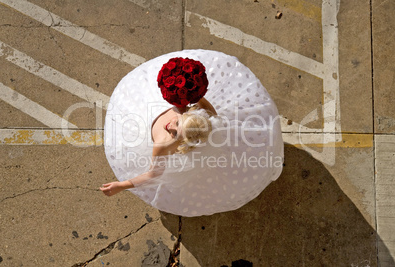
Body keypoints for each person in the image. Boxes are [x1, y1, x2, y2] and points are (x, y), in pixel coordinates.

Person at [101, 50, 284, 217]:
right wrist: (194, 91)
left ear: (182, 143)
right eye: (178, 121)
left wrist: (122, 186)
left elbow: (153, 175)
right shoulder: (198, 115)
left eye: (175, 134)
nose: (169, 126)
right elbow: (208, 110)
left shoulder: (162, 145)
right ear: (189, 114)